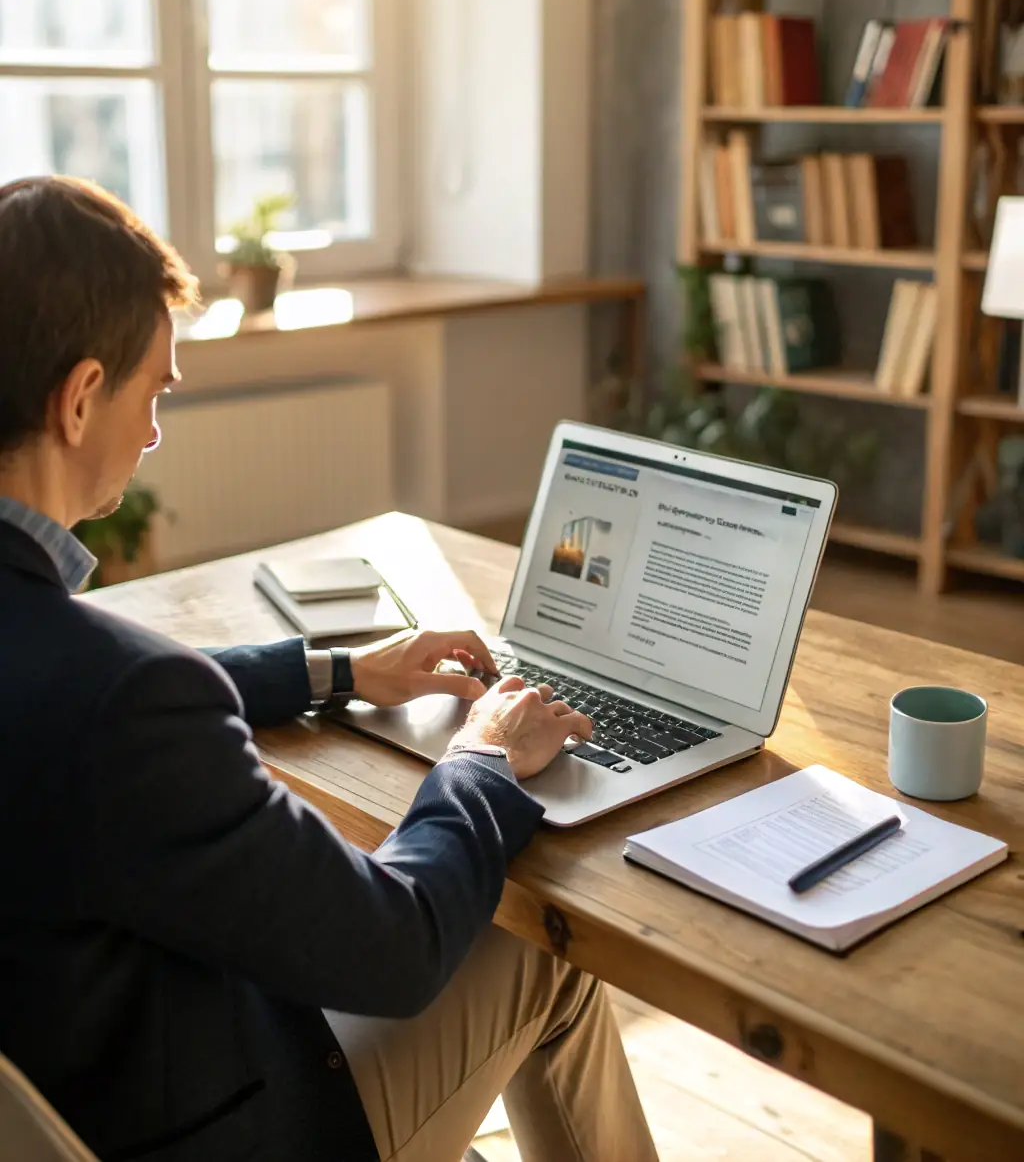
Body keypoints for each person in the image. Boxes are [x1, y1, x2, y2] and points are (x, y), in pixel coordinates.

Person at [0, 176, 658, 1162]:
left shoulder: (74, 672)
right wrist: (476, 758)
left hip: (74, 1088)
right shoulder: (119, 701)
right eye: (153, 393)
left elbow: (84, 701)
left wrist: (338, 669)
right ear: (82, 396)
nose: (151, 433)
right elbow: (393, 949)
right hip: (223, 1121)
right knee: (538, 958)